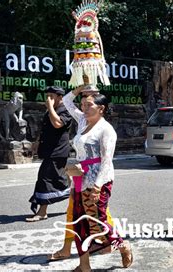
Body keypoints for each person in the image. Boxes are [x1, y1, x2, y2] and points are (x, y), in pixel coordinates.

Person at [63, 86, 132, 271]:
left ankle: (122, 245)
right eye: (83, 104)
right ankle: (84, 264)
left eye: (89, 105)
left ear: (101, 108)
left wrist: (97, 186)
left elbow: (107, 161)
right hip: (79, 178)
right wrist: (79, 89)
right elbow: (66, 101)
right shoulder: (82, 122)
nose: (84, 107)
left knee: (98, 220)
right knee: (78, 220)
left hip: (98, 180)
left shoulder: (106, 130)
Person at [27, 86, 73, 222]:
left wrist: (51, 108)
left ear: (60, 97)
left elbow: (58, 124)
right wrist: (36, 144)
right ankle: (75, 201)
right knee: (59, 179)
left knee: (45, 179)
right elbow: (45, 129)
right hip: (49, 150)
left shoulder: (65, 110)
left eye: (51, 96)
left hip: (57, 151)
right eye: (47, 96)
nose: (48, 99)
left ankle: (42, 212)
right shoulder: (50, 111)